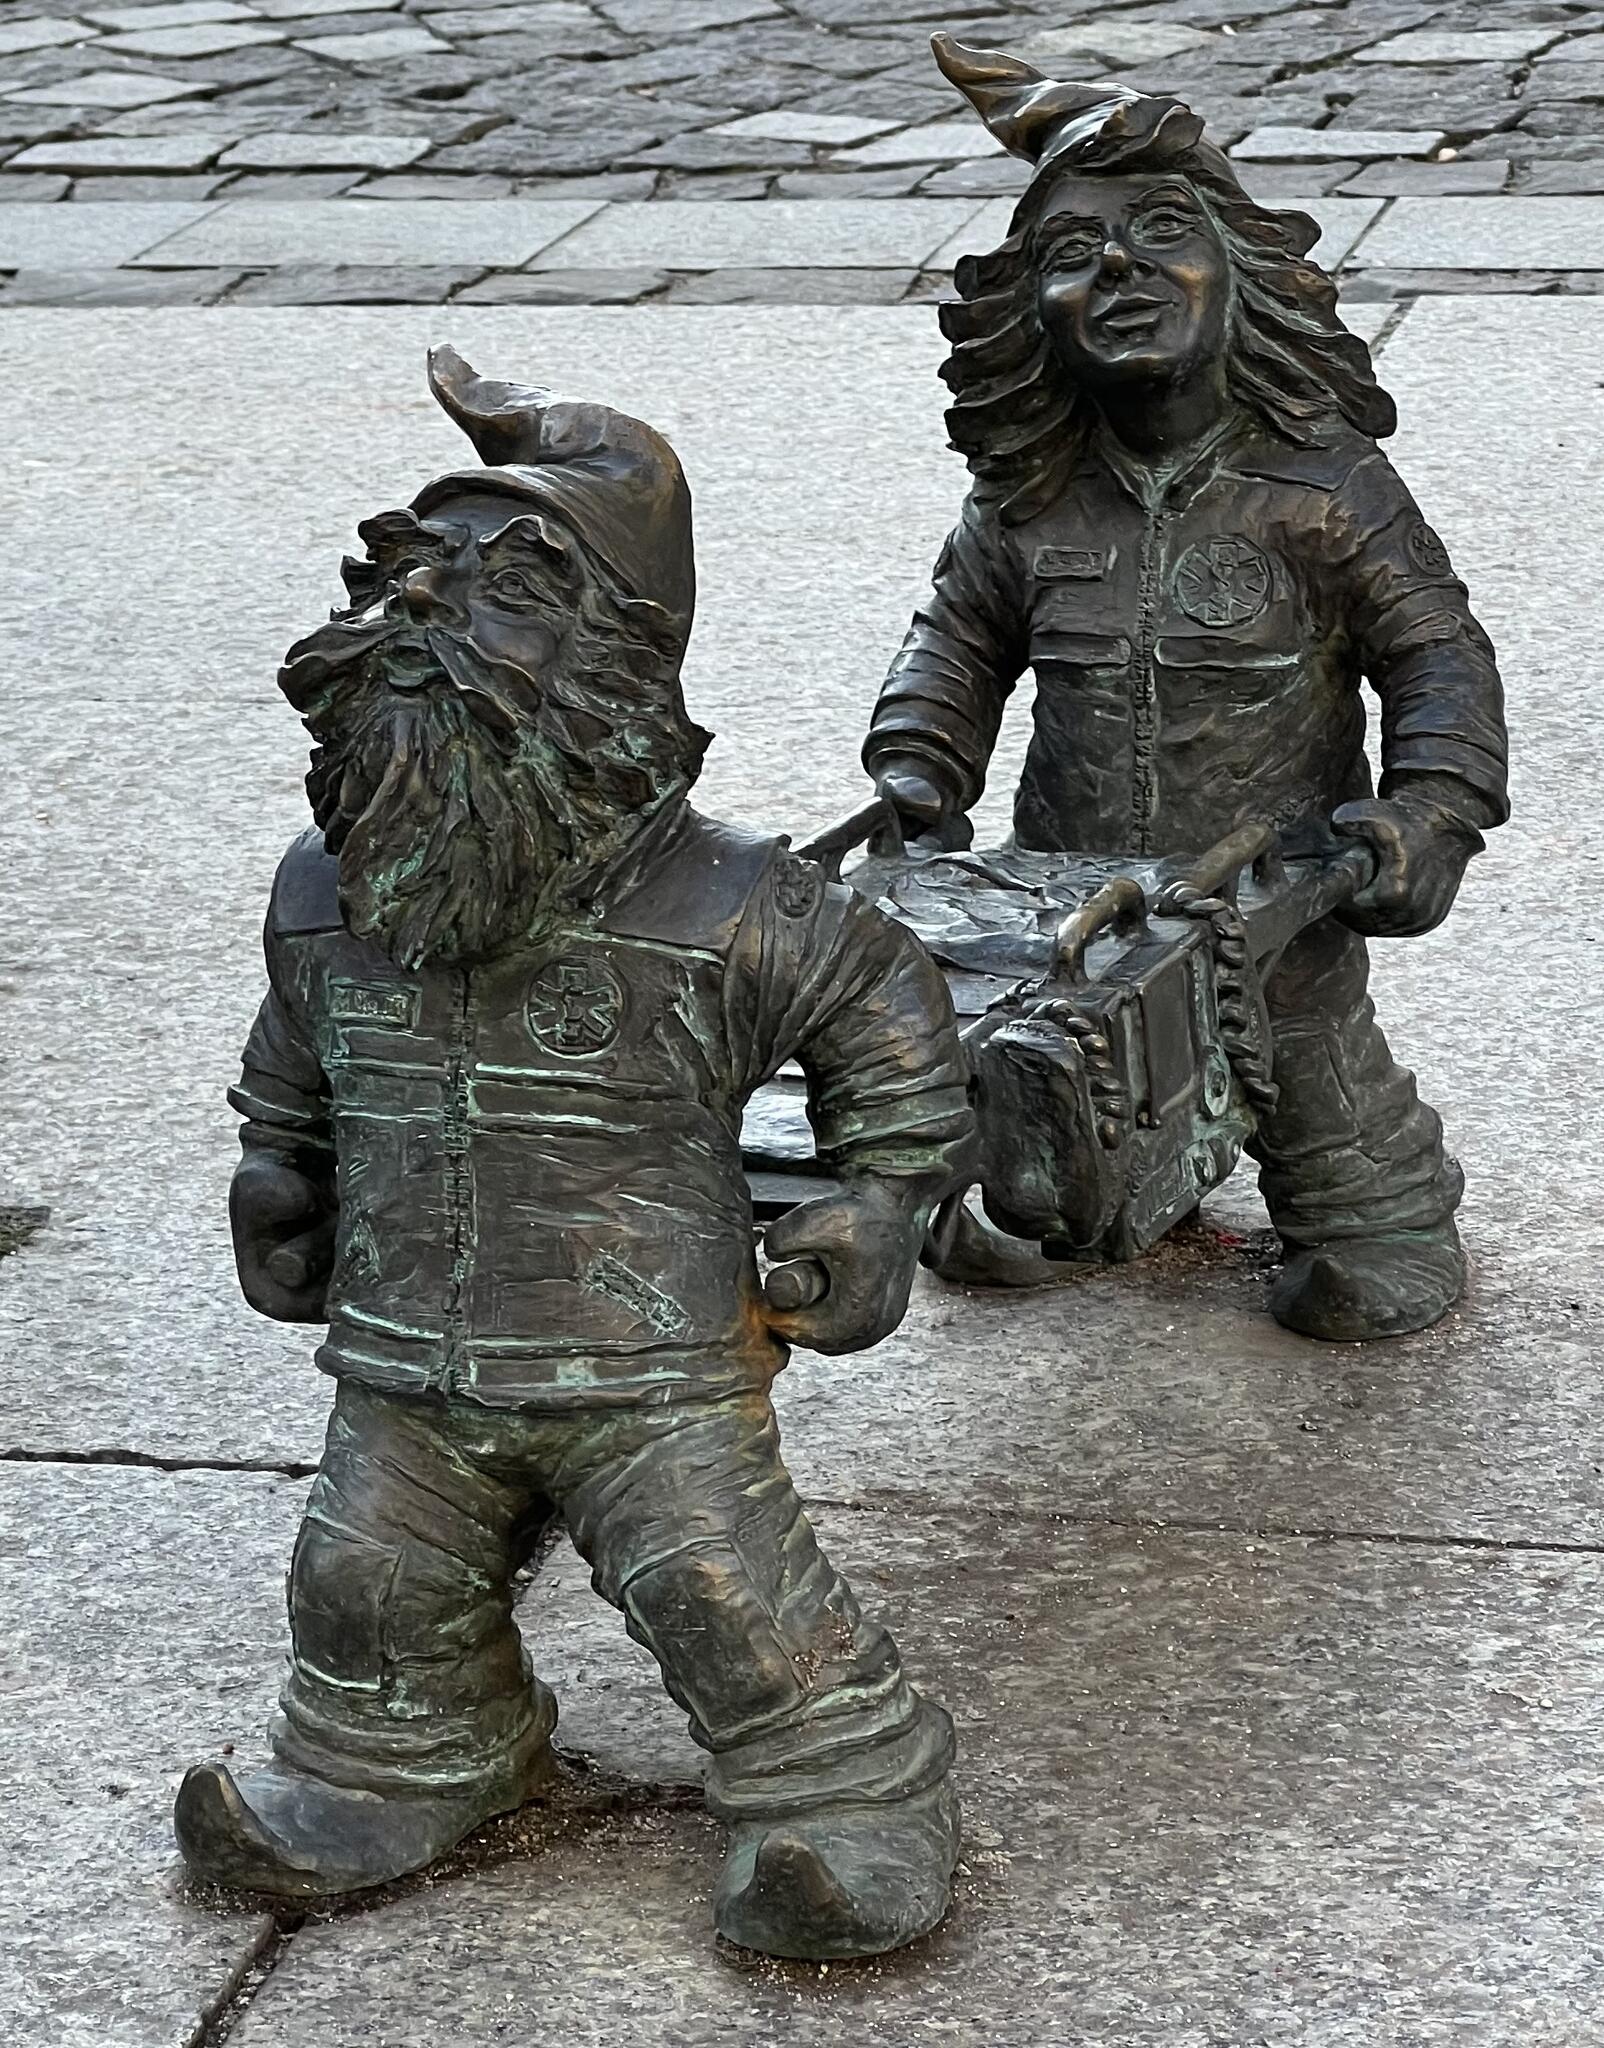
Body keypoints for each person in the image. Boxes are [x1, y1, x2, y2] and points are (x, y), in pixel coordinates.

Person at [175, 347, 974, 1961]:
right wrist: (279, 1162)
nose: (424, 609)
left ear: (617, 667)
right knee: (363, 1587)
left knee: (724, 1595)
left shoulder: (733, 903)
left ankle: (842, 1789)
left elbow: (885, 1007)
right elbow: (298, 1040)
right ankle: (399, 1758)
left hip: (648, 1373)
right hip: (404, 1359)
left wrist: (884, 1194)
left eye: (512, 589)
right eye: (411, 575)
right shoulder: (328, 890)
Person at [865, 35, 1509, 1343]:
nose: (1118, 270)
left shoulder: (1324, 487)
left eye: (1163, 231)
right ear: (1028, 314)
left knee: (1328, 1135)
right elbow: (955, 640)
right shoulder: (1029, 500)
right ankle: (1089, 1186)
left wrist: (1431, 809)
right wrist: (919, 762)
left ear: (1240, 273)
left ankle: (1371, 1204)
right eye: (1071, 252)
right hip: (1068, 901)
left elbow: (1437, 654)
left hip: (1271, 906)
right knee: (1048, 1104)